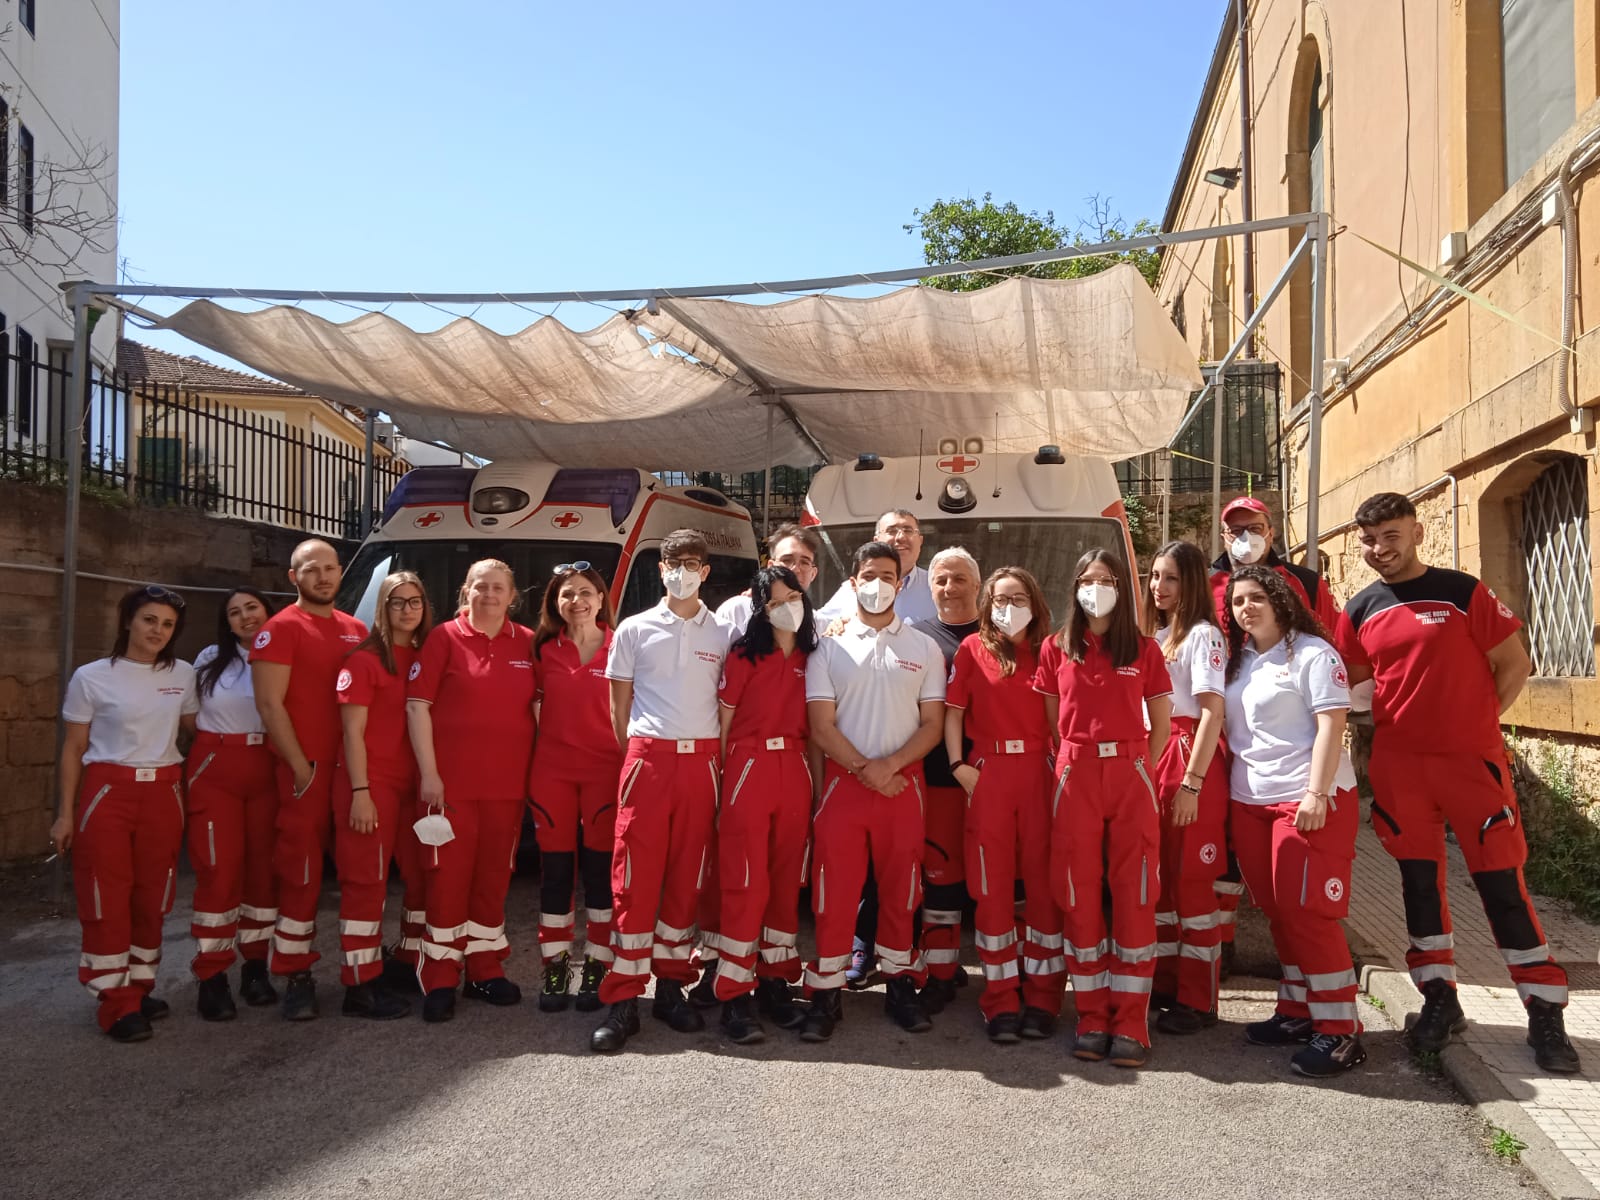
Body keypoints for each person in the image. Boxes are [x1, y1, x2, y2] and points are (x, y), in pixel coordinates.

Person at [1335, 492, 1580, 1073]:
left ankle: (1545, 1012)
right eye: (1368, 540)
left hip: (1471, 766)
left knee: (1503, 888)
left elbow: (1515, 663)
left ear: (1417, 533)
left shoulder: (1463, 592)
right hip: (1400, 769)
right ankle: (1439, 1000)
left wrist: (1476, 725)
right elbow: (1353, 684)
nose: (1379, 550)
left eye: (1390, 536)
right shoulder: (1360, 609)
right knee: (1420, 886)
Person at [590, 529, 732, 1053]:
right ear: (661, 567)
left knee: (686, 876)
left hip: (702, 764)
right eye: (674, 561)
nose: (682, 570)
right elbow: (617, 706)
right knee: (633, 876)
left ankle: (672, 986)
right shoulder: (634, 628)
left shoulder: (722, 633)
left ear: (706, 572)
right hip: (648, 758)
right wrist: (640, 753)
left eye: (692, 562)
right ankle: (623, 997)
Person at [801, 540, 946, 1041]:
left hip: (903, 784)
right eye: (869, 574)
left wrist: (890, 766)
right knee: (834, 893)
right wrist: (866, 768)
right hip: (846, 785)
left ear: (903, 583)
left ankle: (901, 984)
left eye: (888, 575)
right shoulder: (829, 644)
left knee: (902, 892)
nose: (878, 584)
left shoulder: (923, 647)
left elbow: (932, 724)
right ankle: (825, 993)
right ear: (853, 581)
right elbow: (820, 725)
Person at [1224, 565, 1365, 1078]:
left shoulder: (1312, 653)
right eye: (1239, 600)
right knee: (1279, 913)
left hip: (1306, 802)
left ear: (1281, 600)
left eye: (1257, 597)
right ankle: (1297, 1010)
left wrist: (1316, 792)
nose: (1247, 608)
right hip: (1250, 802)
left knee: (1309, 914)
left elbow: (1333, 724)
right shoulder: (1239, 660)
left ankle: (1341, 1031)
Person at [1034, 549, 1171, 1068]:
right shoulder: (1056, 648)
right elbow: (1053, 721)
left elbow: (1160, 725)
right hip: (1075, 770)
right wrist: (1075, 760)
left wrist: (1140, 769)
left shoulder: (1142, 648)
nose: (1097, 588)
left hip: (1131, 768)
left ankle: (1131, 1019)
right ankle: (1092, 1013)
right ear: (1075, 588)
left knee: (1136, 887)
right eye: (1088, 580)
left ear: (1123, 586)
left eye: (1108, 579)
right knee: (1077, 889)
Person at [51, 585, 198, 1042]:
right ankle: (115, 1003)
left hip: (164, 792)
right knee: (106, 894)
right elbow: (74, 748)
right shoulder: (92, 677)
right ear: (128, 622)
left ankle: (138, 985)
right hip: (108, 791)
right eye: (150, 620)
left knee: (153, 894)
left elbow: (199, 730)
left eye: (168, 624)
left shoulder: (184, 674)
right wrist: (65, 814)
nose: (158, 630)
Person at [1207, 496, 1340, 959]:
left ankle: (1327, 1012)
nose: (1245, 537)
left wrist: (1318, 788)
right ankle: (1221, 953)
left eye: (1254, 527)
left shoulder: (1305, 584)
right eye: (1235, 529)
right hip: (1229, 745)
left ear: (1272, 530)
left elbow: (1334, 656)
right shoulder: (1206, 583)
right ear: (1222, 536)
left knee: (1297, 895)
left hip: (1295, 776)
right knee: (1228, 857)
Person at [407, 559, 536, 1023]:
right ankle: (440, 974)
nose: (489, 594)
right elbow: (417, 707)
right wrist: (430, 774)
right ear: (466, 591)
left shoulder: (526, 642)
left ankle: (484, 967)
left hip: (506, 788)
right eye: (480, 586)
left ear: (512, 594)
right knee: (446, 880)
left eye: (498, 587)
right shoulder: (444, 637)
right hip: (450, 788)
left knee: (493, 879)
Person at [946, 567, 1066, 1043]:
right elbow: (953, 711)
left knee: (1043, 887)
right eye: (999, 599)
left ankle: (1043, 996)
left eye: (1018, 597)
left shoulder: (1052, 651)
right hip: (989, 774)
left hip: (1039, 773)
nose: (1008, 606)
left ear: (1035, 601)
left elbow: (1062, 719)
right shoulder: (973, 649)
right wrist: (959, 765)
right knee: (991, 890)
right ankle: (1000, 999)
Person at [250, 539, 367, 1020]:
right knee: (301, 874)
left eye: (330, 568)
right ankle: (296, 973)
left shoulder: (356, 628)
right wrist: (300, 768)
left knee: (360, 870)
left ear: (341, 573)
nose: (322, 577)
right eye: (311, 569)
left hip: (352, 768)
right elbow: (269, 706)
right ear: (292, 577)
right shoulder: (279, 630)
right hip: (309, 771)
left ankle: (363, 975)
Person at [712, 565, 818, 1043]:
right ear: (760, 607)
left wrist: (816, 789)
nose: (786, 606)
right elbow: (724, 726)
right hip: (748, 766)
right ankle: (734, 992)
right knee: (745, 882)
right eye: (774, 601)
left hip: (794, 769)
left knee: (783, 882)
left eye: (791, 595)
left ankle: (775, 981)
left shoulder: (816, 654)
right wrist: (720, 788)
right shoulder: (742, 655)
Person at [332, 570, 433, 1021]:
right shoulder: (364, 660)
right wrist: (360, 792)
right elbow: (351, 733)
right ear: (383, 608)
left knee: (421, 877)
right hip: (371, 785)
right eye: (397, 602)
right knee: (366, 886)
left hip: (416, 786)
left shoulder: (428, 654)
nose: (407, 609)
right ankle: (360, 983)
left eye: (414, 601)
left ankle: (408, 962)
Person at [1141, 541, 1229, 1035]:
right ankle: (1168, 983)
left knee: (1193, 885)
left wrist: (1192, 783)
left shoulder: (1203, 637)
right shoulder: (1158, 635)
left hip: (1189, 755)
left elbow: (1212, 712)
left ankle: (1200, 998)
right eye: (1155, 576)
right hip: (1159, 755)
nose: (1159, 586)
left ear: (1192, 582)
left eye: (1170, 578)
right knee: (1163, 883)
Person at [530, 561, 623, 1014]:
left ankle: (597, 966)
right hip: (552, 775)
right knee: (557, 875)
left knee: (600, 875)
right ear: (556, 603)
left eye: (585, 592)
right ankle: (555, 965)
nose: (577, 601)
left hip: (605, 772)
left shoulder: (621, 646)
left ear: (602, 598)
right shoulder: (544, 649)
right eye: (567, 594)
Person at [187, 586, 281, 1021]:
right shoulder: (209, 660)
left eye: (252, 608)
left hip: (269, 767)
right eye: (235, 613)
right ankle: (212, 976)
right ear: (227, 624)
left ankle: (256, 968)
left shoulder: (287, 651)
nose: (245, 617)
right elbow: (188, 716)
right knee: (218, 872)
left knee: (262, 874)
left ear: (268, 611)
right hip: (217, 768)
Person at [906, 546, 982, 1011]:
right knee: (941, 878)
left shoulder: (999, 635)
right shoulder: (917, 638)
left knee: (1001, 879)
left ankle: (1006, 973)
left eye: (958, 578)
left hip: (996, 776)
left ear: (978, 584)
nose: (949, 587)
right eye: (940, 580)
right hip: (938, 776)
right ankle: (940, 970)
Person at [814, 510, 935, 626]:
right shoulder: (851, 590)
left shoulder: (936, 587)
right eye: (891, 530)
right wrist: (835, 625)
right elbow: (819, 625)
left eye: (908, 530)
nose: (900, 537)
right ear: (876, 541)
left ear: (920, 540)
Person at [715, 523, 823, 635]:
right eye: (787, 560)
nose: (795, 569)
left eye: (804, 562)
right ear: (771, 566)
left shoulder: (820, 626)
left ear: (813, 574)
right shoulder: (737, 611)